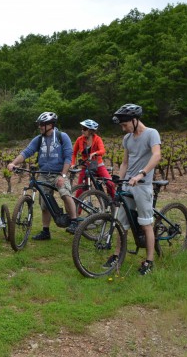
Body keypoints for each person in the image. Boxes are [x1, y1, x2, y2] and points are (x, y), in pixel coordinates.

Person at [107, 103, 161, 275]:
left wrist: (141, 174)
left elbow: (157, 155)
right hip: (128, 185)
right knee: (121, 223)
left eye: (125, 125)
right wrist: (120, 180)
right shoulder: (127, 139)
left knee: (146, 224)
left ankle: (149, 261)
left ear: (135, 120)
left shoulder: (151, 133)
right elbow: (125, 162)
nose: (123, 129)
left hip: (142, 185)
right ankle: (116, 255)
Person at [7, 112, 78, 239]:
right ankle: (46, 231)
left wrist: (63, 175)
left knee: (65, 193)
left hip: (59, 173)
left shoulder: (63, 136)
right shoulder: (39, 139)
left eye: (42, 124)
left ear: (50, 125)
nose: (40, 127)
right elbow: (27, 152)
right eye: (39, 124)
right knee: (44, 203)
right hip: (44, 174)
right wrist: (13, 163)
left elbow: (68, 157)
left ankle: (74, 221)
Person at [71, 119, 115, 199]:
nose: (82, 131)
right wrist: (73, 163)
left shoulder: (98, 139)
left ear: (91, 131)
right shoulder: (79, 140)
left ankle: (113, 201)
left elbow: (102, 150)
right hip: (86, 167)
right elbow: (74, 153)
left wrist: (95, 153)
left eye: (84, 129)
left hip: (98, 165)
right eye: (82, 128)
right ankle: (77, 210)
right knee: (80, 189)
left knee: (110, 183)